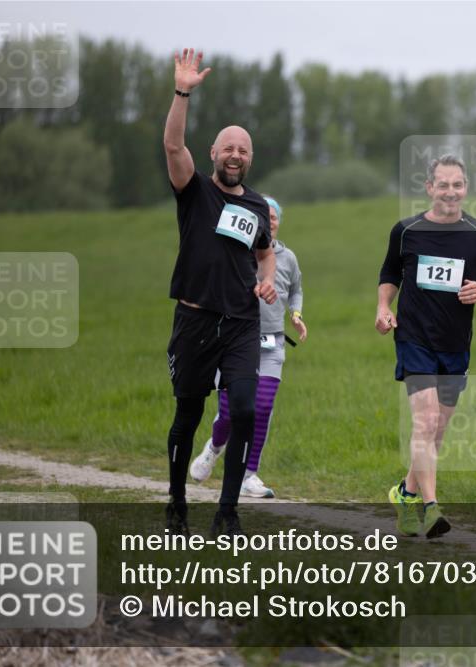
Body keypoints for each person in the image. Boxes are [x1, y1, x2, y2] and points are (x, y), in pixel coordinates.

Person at [163, 48, 277, 538]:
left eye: (243, 150)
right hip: (194, 320)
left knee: (247, 408)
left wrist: (267, 276)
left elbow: (265, 250)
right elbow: (172, 146)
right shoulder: (194, 189)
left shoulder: (256, 204)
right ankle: (176, 503)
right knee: (187, 415)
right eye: (228, 148)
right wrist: (183, 91)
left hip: (241, 324)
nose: (235, 155)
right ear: (213, 154)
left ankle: (227, 511)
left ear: (251, 159)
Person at [377, 154, 476, 539]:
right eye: (443, 184)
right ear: (430, 188)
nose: (451, 191)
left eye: (457, 184)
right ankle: (430, 508)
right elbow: (389, 274)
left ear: (466, 189)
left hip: (455, 344)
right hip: (414, 338)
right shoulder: (406, 230)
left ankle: (405, 492)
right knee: (425, 422)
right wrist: (383, 307)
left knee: (437, 432)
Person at [190, 195, 307, 498]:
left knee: (262, 407)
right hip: (234, 341)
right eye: (264, 215)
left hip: (272, 343)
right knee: (232, 414)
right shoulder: (234, 254)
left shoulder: (288, 257)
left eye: (275, 216)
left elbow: (296, 290)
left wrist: (296, 314)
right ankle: (214, 448)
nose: (270, 221)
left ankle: (248, 474)